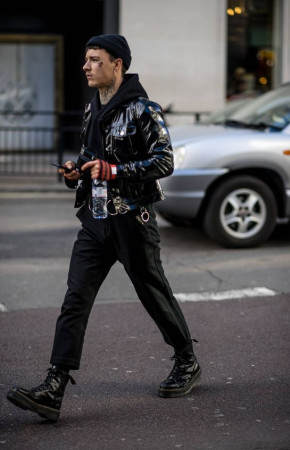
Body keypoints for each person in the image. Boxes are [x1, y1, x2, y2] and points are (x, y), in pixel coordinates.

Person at [6, 34, 201, 422]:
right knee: (75, 299)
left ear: (117, 65)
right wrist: (74, 171)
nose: (86, 66)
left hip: (132, 219)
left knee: (154, 294)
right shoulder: (91, 110)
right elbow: (89, 157)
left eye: (95, 59)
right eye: (85, 59)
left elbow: (164, 162)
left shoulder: (145, 110)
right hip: (95, 220)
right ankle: (54, 385)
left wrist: (115, 171)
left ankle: (187, 360)